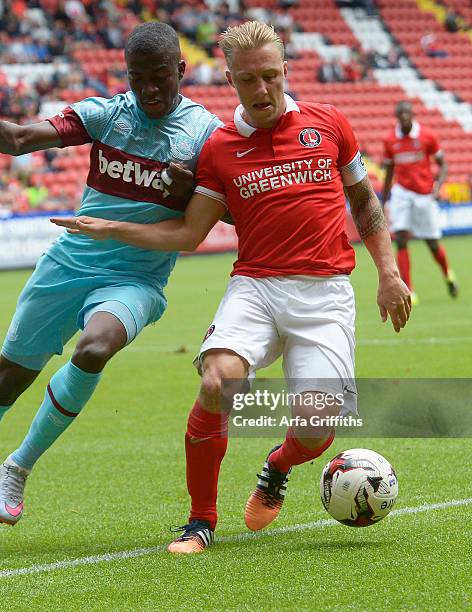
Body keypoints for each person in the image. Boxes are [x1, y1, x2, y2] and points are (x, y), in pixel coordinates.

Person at [52, 21, 411, 554]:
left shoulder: (330, 124)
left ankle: (277, 464)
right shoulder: (219, 148)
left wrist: (388, 272)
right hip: (256, 288)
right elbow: (189, 232)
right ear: (229, 80)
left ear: (286, 71)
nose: (262, 89)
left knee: (315, 429)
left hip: (325, 293)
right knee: (218, 383)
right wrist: (110, 227)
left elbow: (363, 202)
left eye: (271, 76)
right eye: (248, 80)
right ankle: (200, 521)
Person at [0, 22, 221, 547]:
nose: (151, 90)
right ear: (128, 76)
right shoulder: (106, 114)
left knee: (95, 348)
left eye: (161, 77)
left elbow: (219, 214)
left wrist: (190, 190)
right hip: (68, 265)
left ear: (181, 71)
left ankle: (20, 464)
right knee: (4, 384)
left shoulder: (205, 134)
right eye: (139, 79)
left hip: (136, 277)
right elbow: (21, 139)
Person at [381, 101, 458, 302]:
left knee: (432, 243)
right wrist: (384, 201)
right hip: (402, 194)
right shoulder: (390, 140)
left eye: (407, 113)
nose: (404, 117)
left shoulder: (427, 135)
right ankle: (408, 290)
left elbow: (443, 165)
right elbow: (389, 172)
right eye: (401, 114)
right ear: (397, 117)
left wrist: (437, 187)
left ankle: (448, 275)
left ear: (412, 115)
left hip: (424, 195)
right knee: (401, 239)